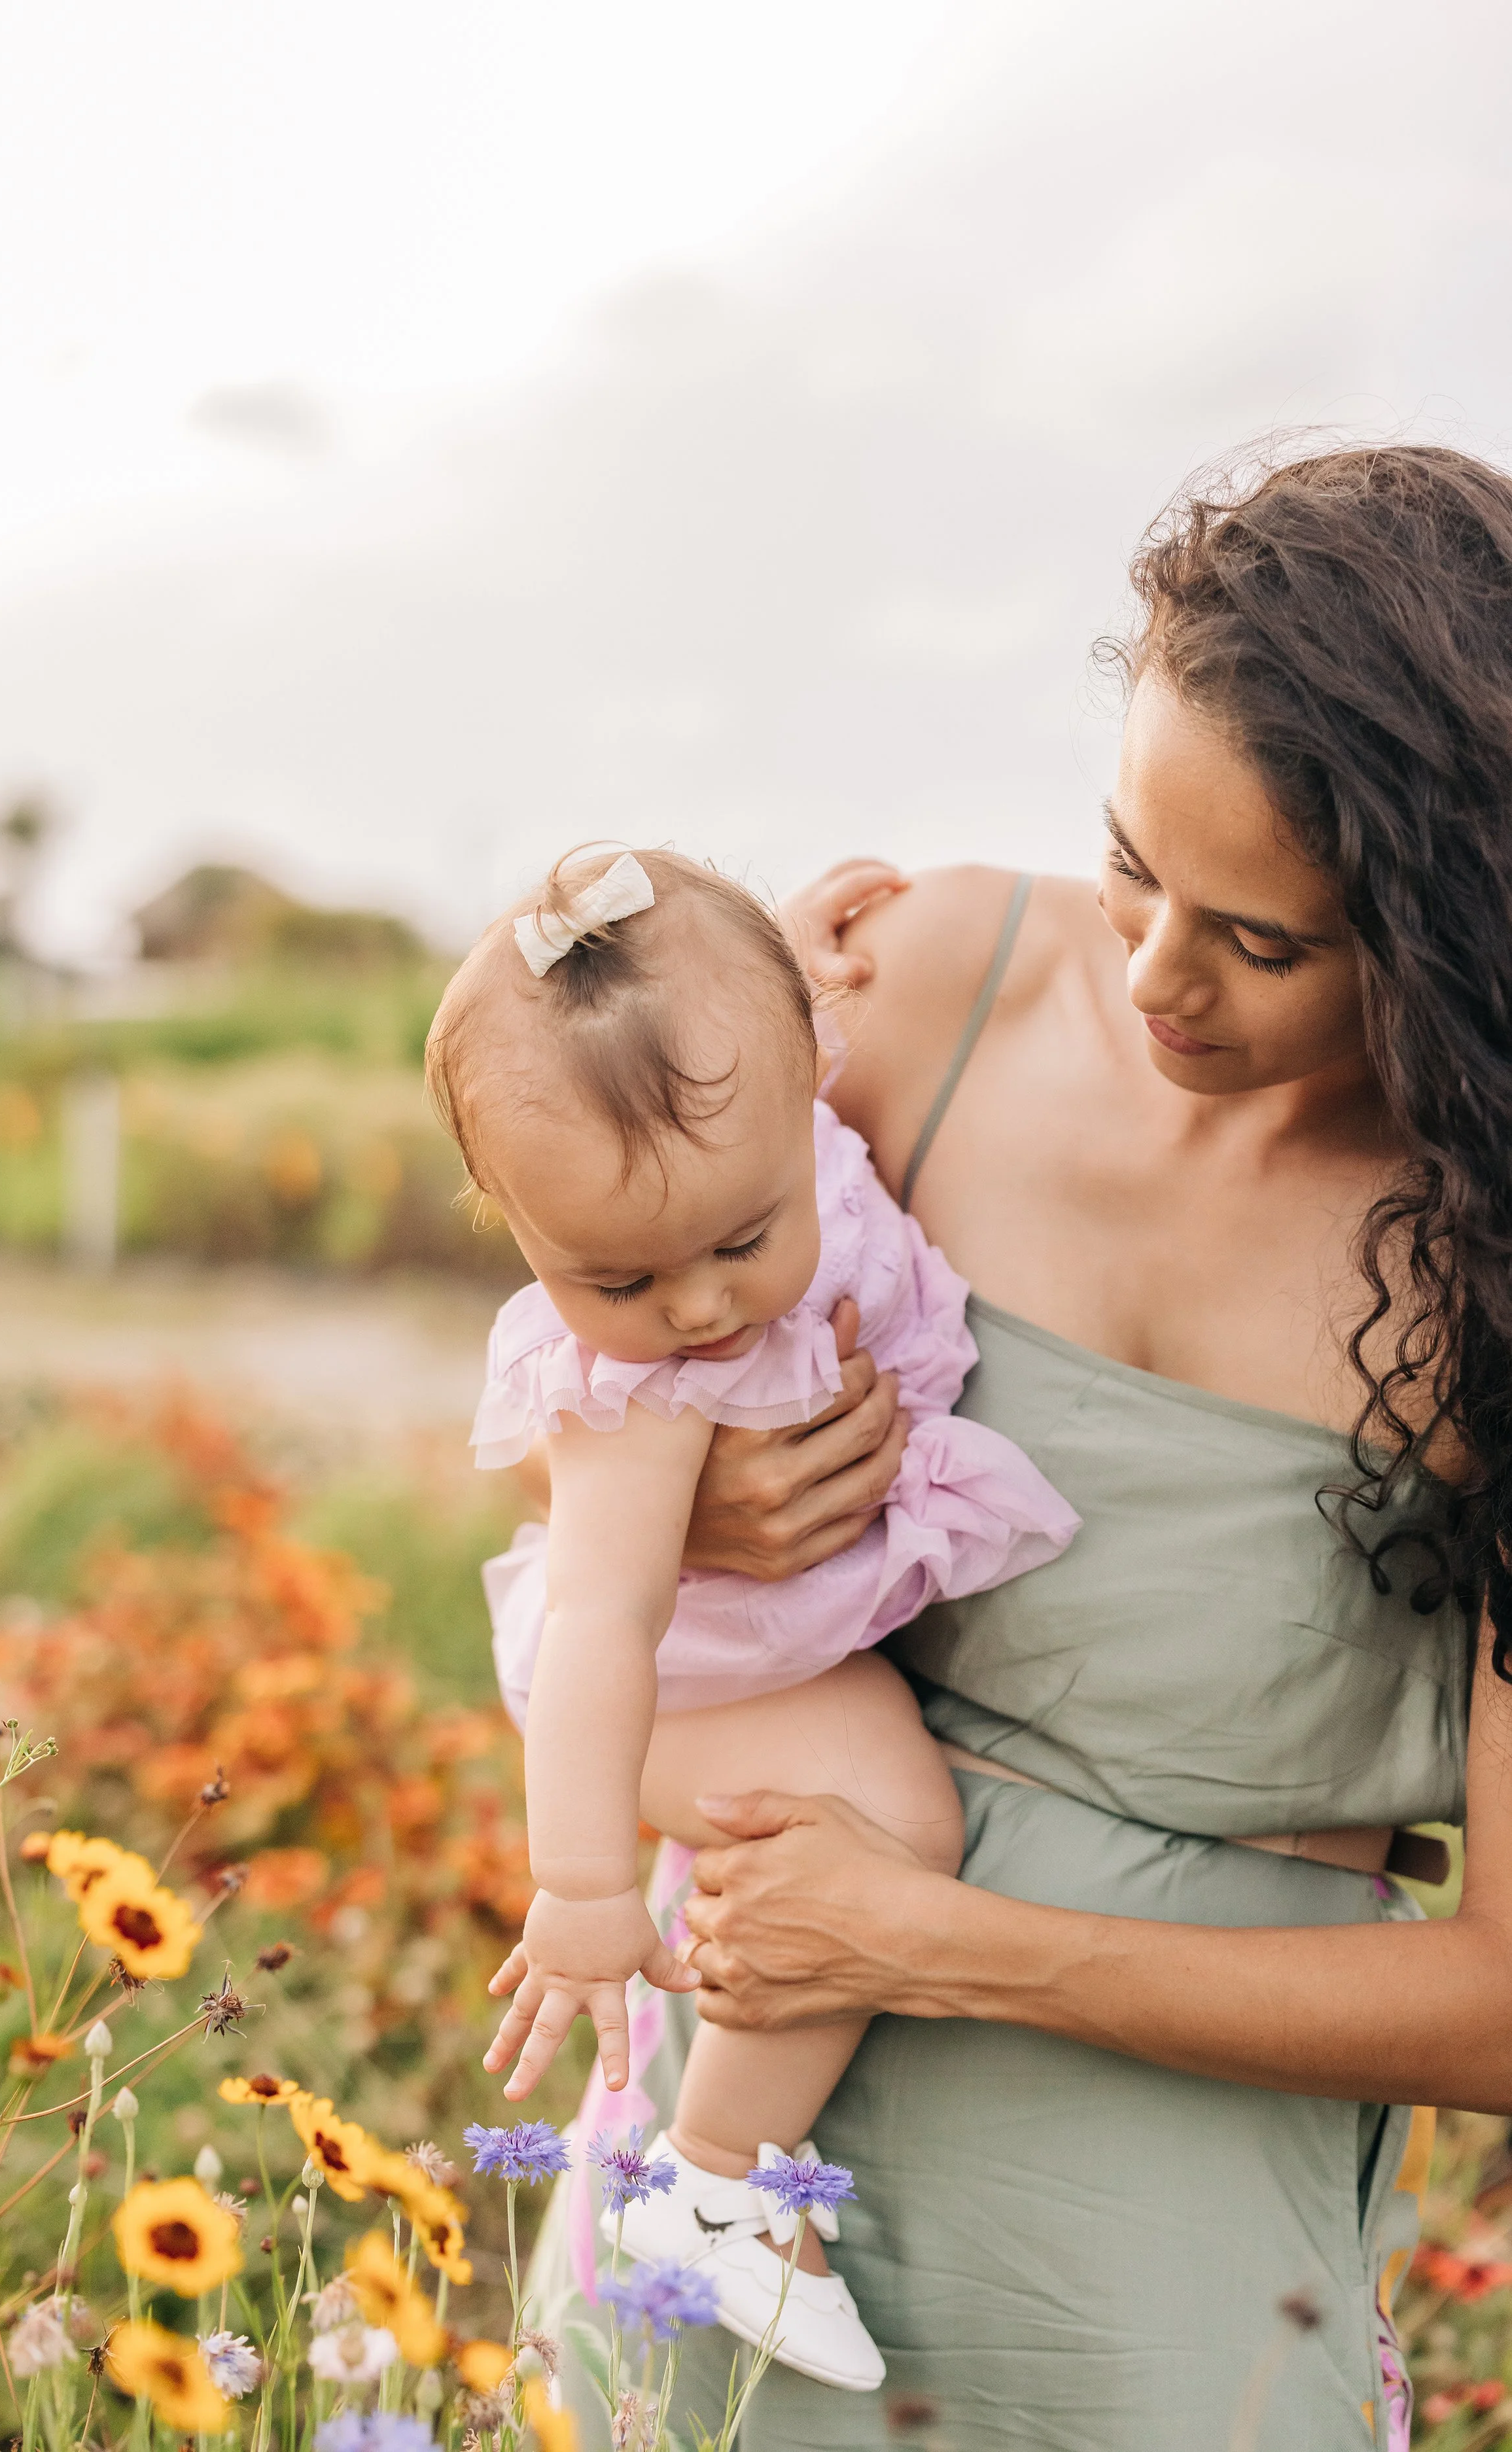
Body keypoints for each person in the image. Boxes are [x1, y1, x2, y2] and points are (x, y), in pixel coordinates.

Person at [523, 445, 1512, 2450]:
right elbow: (596, 1322)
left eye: (1265, 940)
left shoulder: (1485, 1252)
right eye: (1133, 864)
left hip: (1144, 2260)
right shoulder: (929, 986)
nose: (1152, 976)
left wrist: (945, 1944)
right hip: (747, 2132)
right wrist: (687, 1500)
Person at [425, 847, 1078, 2391]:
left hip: (769, 1626)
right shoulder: (637, 1388)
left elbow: (711, 1050)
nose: (703, 1305)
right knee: (889, 1812)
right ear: (507, 1225)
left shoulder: (747, 1098)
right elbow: (599, 1615)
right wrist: (583, 1888)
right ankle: (719, 2171)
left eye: (738, 1240)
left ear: (805, 1077)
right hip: (679, 1676)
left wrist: (770, 960)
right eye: (619, 1272)